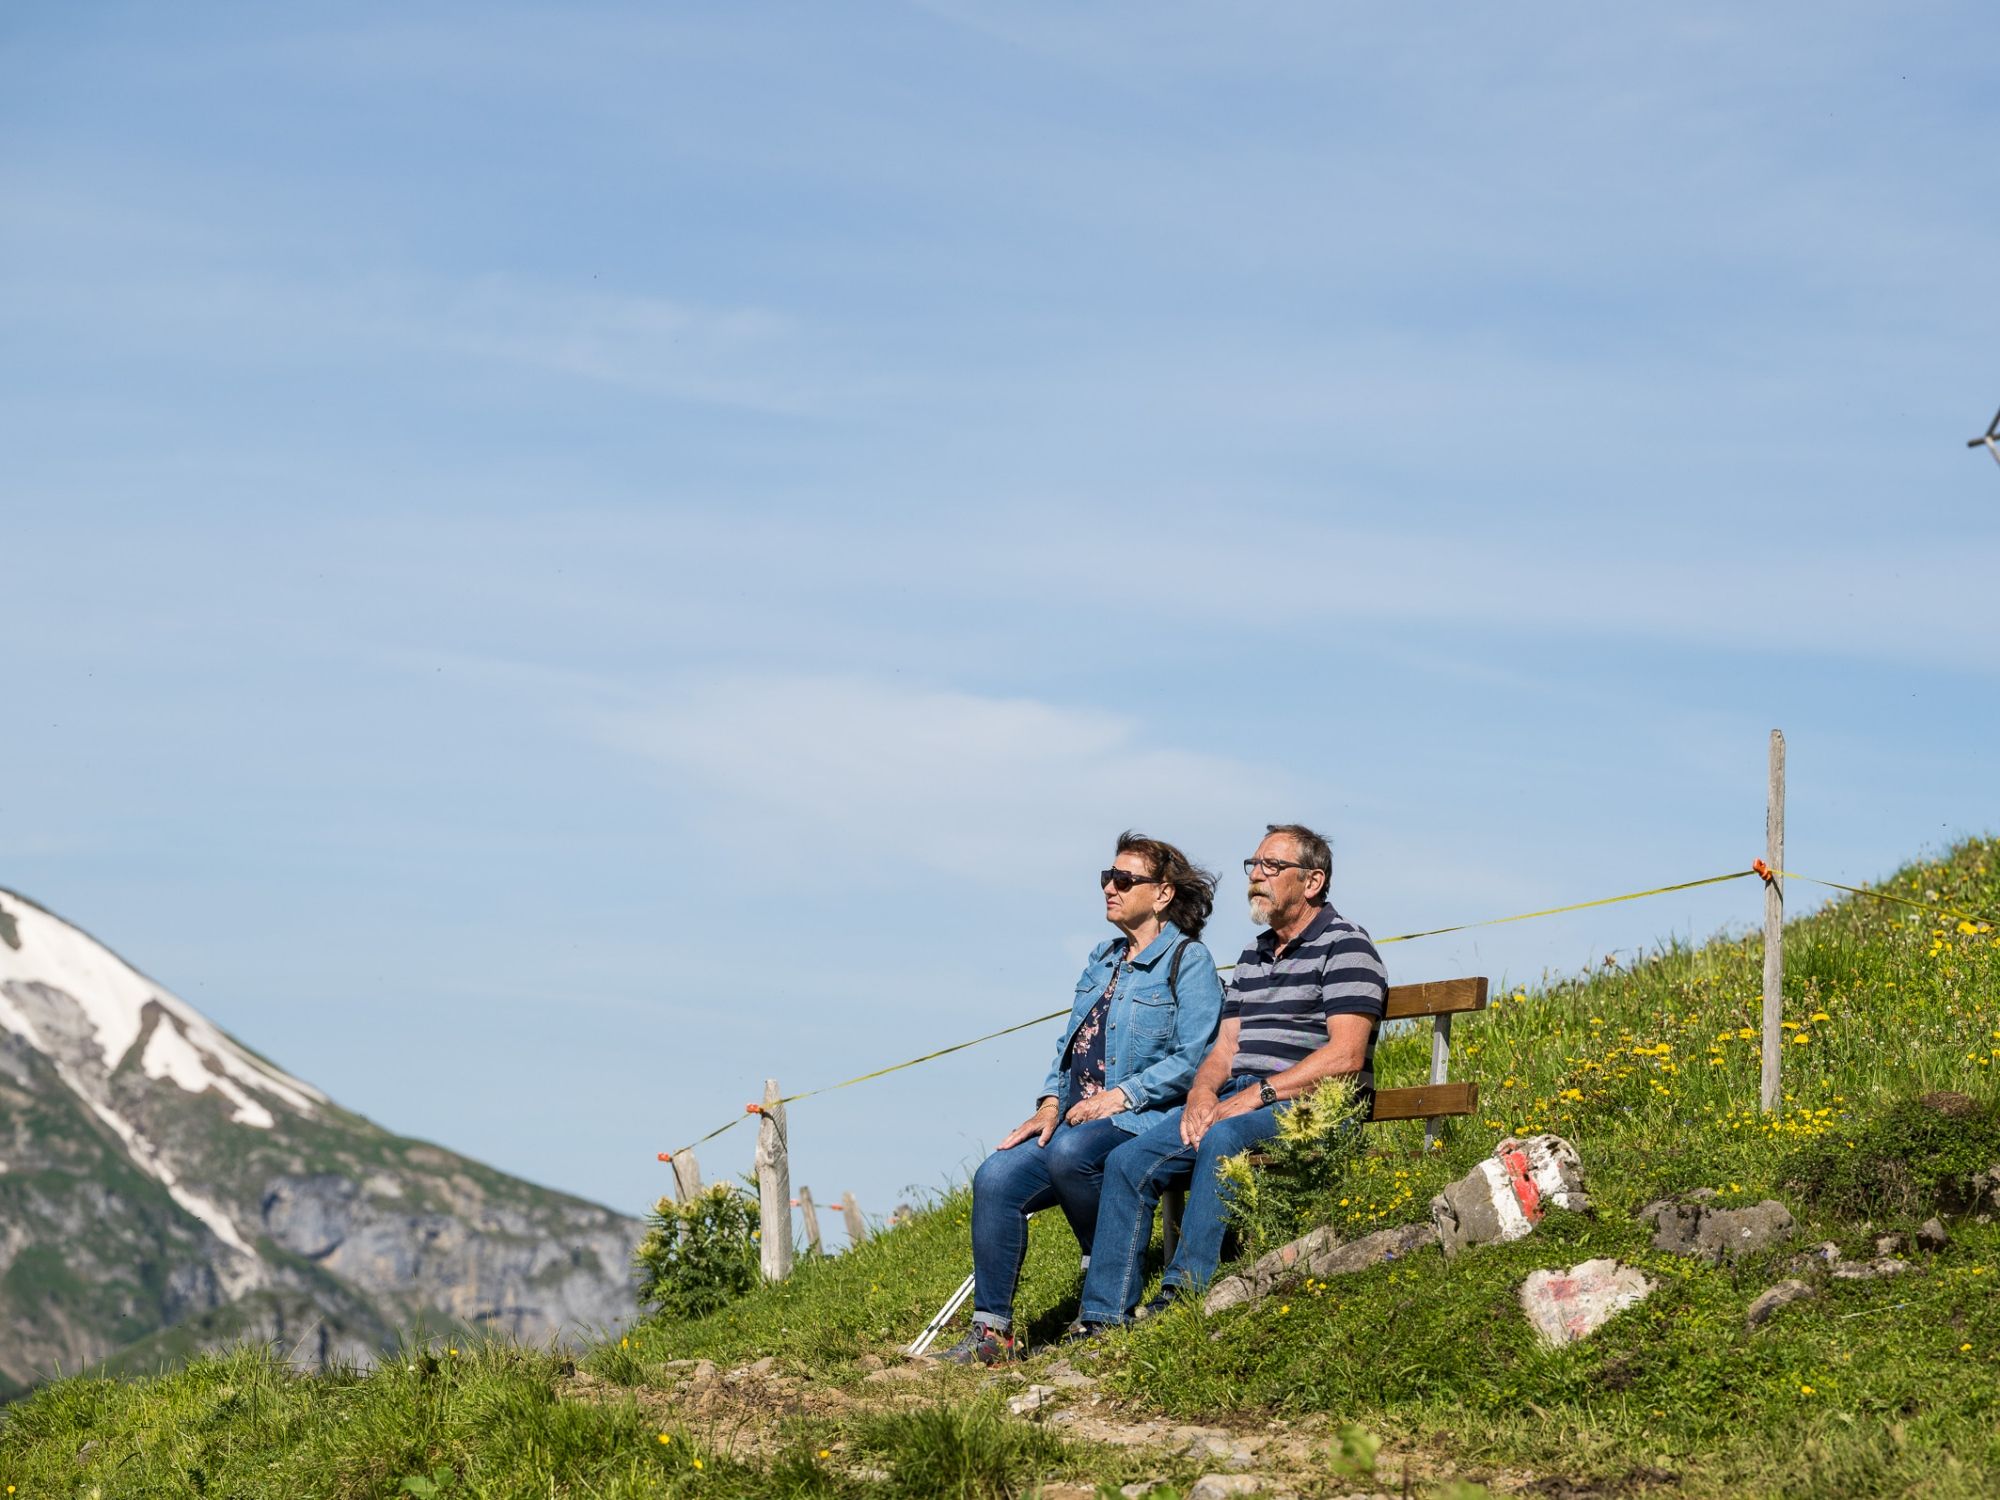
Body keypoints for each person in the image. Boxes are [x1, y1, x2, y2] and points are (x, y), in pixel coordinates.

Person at [1072, 823, 1387, 1333]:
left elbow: (1346, 1055)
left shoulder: (1346, 945)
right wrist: (1201, 1093)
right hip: (1244, 1103)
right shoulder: (1253, 954)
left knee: (1223, 1133)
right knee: (1128, 1159)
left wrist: (1254, 1097)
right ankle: (1102, 1316)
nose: (1256, 877)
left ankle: (1183, 1294)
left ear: (1312, 882)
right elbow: (1224, 1047)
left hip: (1316, 1107)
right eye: (1253, 866)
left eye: (1271, 867)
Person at [938, 833, 1225, 1364]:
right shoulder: (1102, 958)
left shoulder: (1189, 961)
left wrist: (1121, 1095)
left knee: (1074, 1155)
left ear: (1162, 894)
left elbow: (1196, 1056)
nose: (1109, 889)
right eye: (1106, 878)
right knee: (996, 1177)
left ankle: (1110, 1273)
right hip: (1076, 1116)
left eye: (1124, 880)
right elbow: (1070, 1044)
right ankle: (991, 1336)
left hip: (1144, 1116)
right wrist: (1049, 1101)